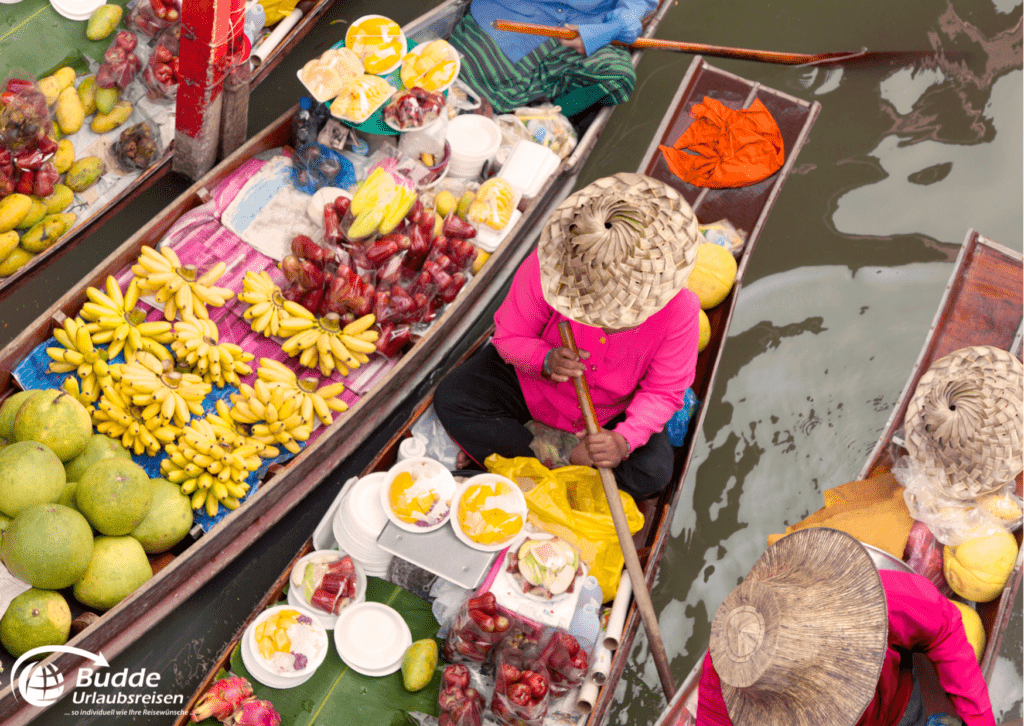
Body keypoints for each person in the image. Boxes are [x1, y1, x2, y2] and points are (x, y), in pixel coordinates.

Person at [433, 172, 702, 499]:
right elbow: (508, 337)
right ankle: (564, 462)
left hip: (610, 414)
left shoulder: (682, 309)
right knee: (454, 397)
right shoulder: (551, 266)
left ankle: (528, 462)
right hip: (535, 389)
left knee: (652, 474)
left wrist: (622, 441)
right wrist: (543, 360)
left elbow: (663, 391)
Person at [697, 527, 996, 726]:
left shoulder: (873, 599)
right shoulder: (736, 664)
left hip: (895, 703)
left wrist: (979, 719)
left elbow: (944, 626)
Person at [448, 0, 659, 118]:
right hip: (517, 10)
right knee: (462, 76)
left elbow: (640, 4)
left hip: (584, 25)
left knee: (617, 74)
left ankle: (547, 119)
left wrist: (609, 28)